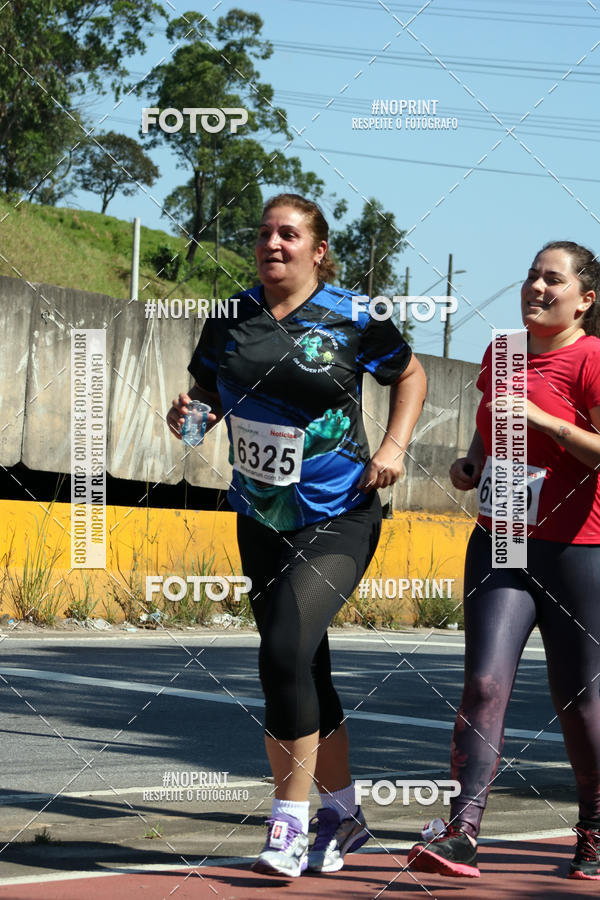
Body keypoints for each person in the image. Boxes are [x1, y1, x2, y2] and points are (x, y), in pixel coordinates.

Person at [167, 193, 427, 877]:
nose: (272, 244)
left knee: (282, 652)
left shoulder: (354, 317)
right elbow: (208, 403)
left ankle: (288, 822)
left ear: (318, 250)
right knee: (305, 666)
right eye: (263, 234)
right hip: (260, 517)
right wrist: (190, 417)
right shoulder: (230, 318)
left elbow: (411, 374)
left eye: (289, 235)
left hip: (340, 512)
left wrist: (394, 446)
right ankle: (343, 814)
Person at [408, 241, 600, 881]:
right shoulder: (503, 352)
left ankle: (596, 824)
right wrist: (469, 465)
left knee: (580, 700)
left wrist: (548, 421)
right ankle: (462, 831)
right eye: (531, 276)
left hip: (578, 548)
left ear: (585, 299)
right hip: (502, 538)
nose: (537, 288)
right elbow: (486, 433)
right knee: (484, 684)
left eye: (553, 279)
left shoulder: (592, 359)